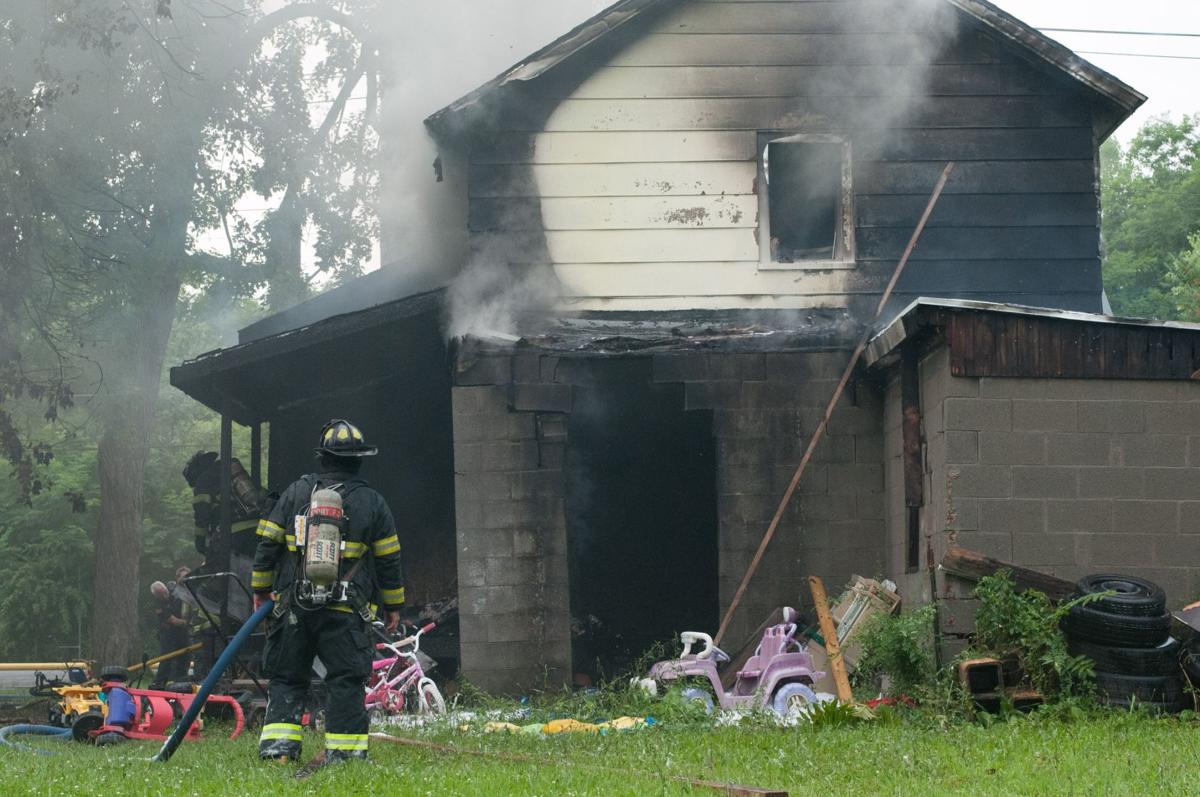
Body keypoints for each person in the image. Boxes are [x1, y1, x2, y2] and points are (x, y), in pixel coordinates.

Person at [251, 419, 404, 764]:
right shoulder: (373, 503)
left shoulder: (294, 493)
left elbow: (266, 545)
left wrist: (261, 591)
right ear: (359, 460)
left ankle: (279, 751)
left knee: (288, 677)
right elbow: (388, 562)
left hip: (293, 607)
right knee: (345, 679)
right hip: (346, 611)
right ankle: (345, 755)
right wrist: (394, 606)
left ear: (323, 458)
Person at [150, 581, 190, 686]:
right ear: (156, 596)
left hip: (181, 633)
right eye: (161, 595)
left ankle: (181, 679)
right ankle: (159, 682)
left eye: (165, 592)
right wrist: (187, 622)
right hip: (167, 632)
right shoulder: (157, 604)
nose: (164, 596)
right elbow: (173, 620)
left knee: (185, 654)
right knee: (167, 657)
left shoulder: (175, 590)